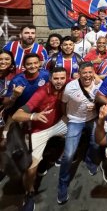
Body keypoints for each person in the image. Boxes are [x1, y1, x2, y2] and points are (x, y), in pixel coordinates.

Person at [12, 67, 68, 211]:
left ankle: (60, 155)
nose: (60, 81)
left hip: (60, 122)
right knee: (31, 170)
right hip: (40, 131)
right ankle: (29, 193)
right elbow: (16, 115)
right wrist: (33, 116)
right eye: (56, 78)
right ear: (50, 79)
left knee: (76, 130)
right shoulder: (42, 92)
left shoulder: (70, 84)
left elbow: (89, 77)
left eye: (62, 78)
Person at [57, 62, 102, 205]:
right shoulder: (70, 87)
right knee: (69, 154)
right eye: (85, 73)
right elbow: (63, 104)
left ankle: (89, 160)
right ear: (79, 73)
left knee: (95, 143)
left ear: (93, 72)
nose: (88, 75)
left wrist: (95, 106)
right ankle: (62, 184)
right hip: (75, 120)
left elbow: (102, 99)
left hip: (92, 118)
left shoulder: (99, 84)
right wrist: (66, 117)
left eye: (90, 72)